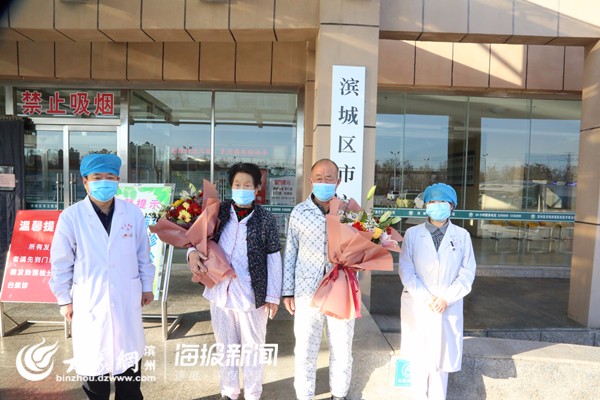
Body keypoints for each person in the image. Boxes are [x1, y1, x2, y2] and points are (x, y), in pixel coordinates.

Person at [49, 153, 155, 400]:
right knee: (94, 377)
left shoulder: (132, 213)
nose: (103, 182)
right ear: (85, 182)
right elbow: (61, 262)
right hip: (90, 302)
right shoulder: (71, 216)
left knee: (129, 379)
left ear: (118, 181)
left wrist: (147, 286)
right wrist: (64, 299)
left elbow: (143, 254)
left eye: (110, 177)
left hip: (126, 298)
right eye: (97, 177)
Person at [187, 162, 282, 400]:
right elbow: (196, 239)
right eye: (237, 184)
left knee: (253, 349)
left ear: (257, 188)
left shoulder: (266, 219)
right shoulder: (217, 211)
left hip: (252, 294)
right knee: (226, 347)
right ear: (230, 187)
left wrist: (272, 296)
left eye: (247, 185)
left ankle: (253, 393)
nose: (242, 189)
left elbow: (273, 258)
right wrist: (191, 253)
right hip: (220, 292)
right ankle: (229, 392)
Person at [282, 158, 353, 400]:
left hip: (340, 289)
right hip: (306, 291)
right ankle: (305, 395)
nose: (324, 182)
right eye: (319, 178)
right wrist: (288, 291)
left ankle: (339, 394)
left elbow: (361, 251)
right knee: (304, 348)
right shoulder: (299, 212)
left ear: (338, 181)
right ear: (311, 181)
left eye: (329, 178)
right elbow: (290, 252)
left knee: (342, 347)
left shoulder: (349, 212)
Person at [398, 183, 476, 400]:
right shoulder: (412, 234)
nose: (437, 205)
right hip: (418, 304)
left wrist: (446, 298)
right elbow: (406, 269)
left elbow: (467, 272)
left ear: (452, 206)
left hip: (446, 306)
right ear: (425, 205)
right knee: (418, 363)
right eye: (432, 201)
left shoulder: (462, 235)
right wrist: (426, 297)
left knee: (441, 366)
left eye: (442, 201)